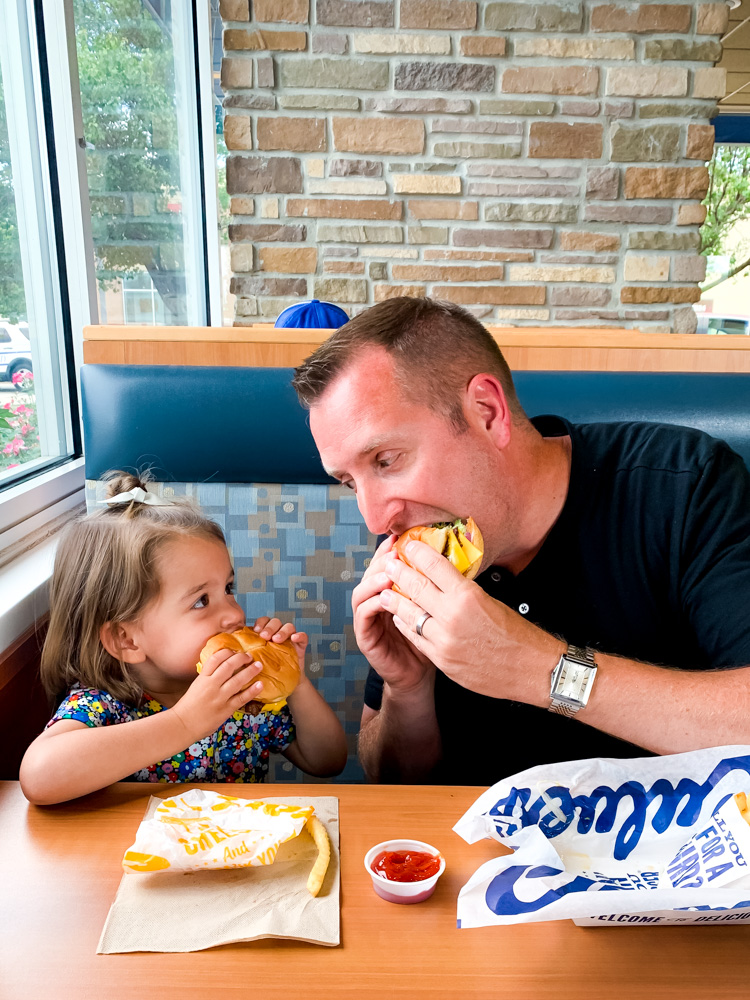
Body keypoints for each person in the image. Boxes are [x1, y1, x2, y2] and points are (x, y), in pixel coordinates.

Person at [292, 296, 750, 786]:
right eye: (349, 481)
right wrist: (409, 689)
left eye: (386, 460)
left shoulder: (684, 485)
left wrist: (538, 669)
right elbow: (393, 782)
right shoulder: (420, 531)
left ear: (487, 412)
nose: (375, 517)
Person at [20, 473, 347, 805]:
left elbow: (326, 761)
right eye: (201, 601)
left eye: (228, 589)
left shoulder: (242, 694)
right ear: (126, 639)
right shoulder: (104, 706)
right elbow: (40, 776)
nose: (234, 614)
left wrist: (297, 681)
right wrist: (186, 721)